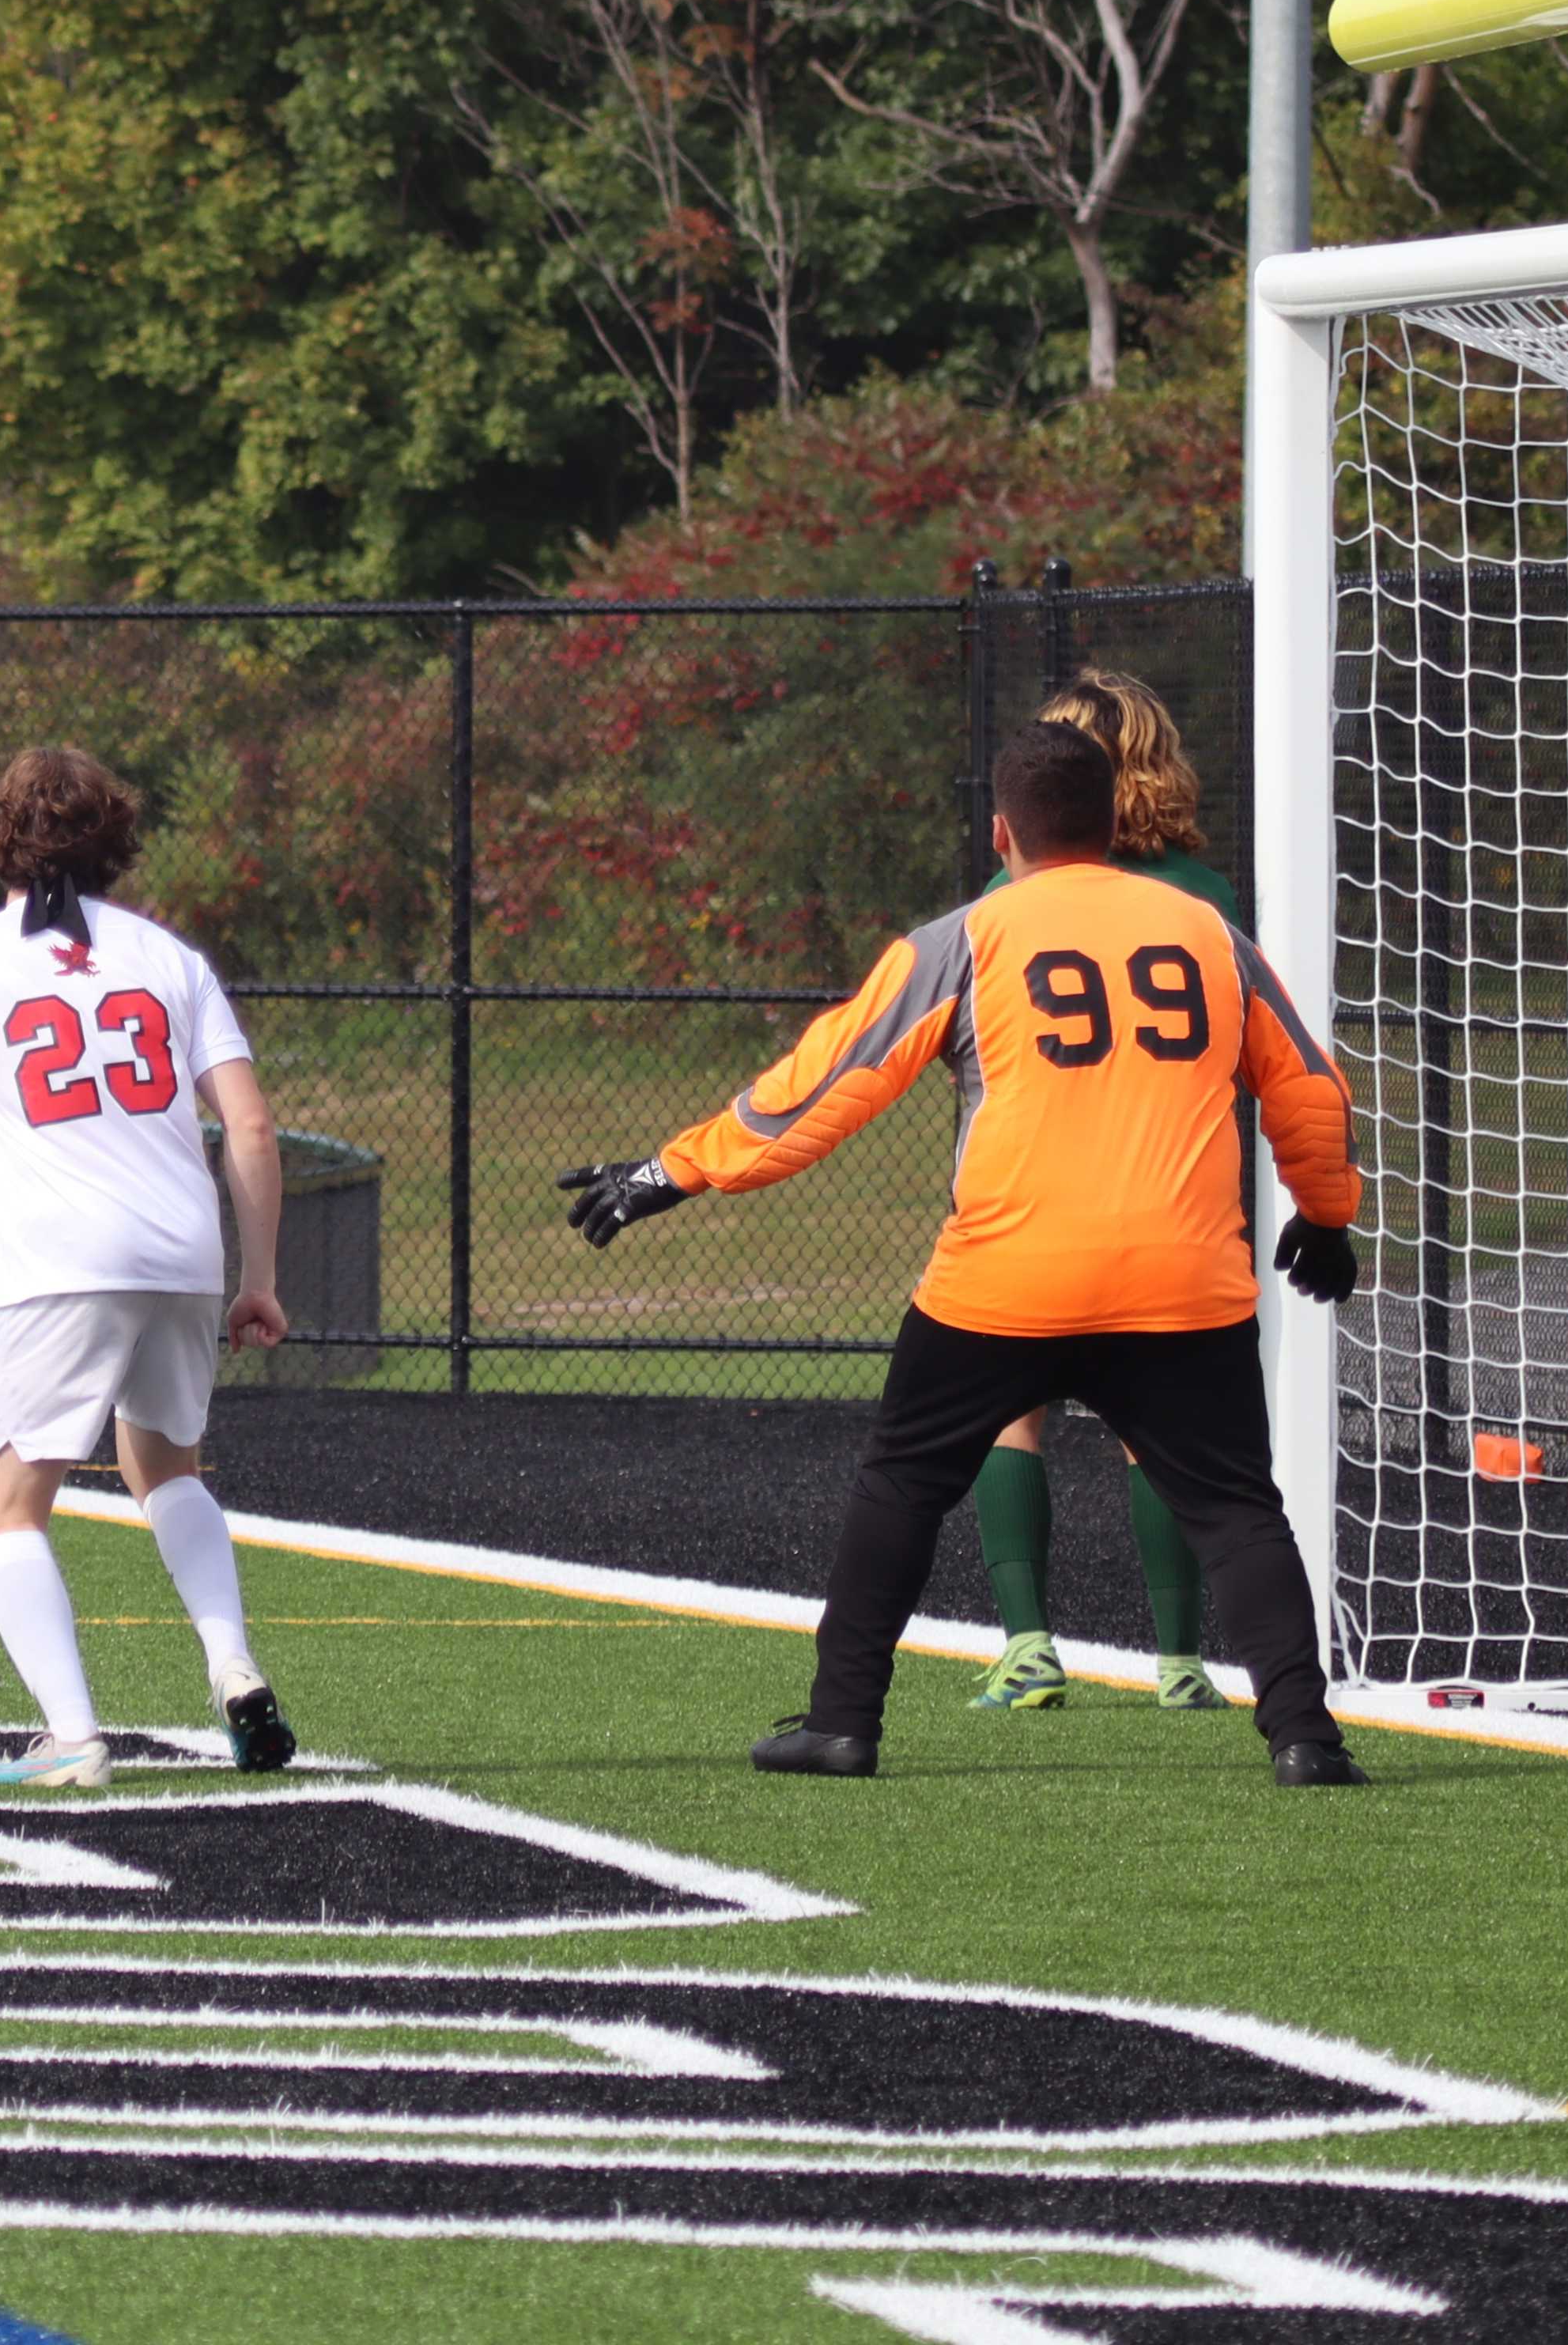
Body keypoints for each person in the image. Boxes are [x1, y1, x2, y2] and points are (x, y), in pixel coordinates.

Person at [557, 721, 1371, 1786]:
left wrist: (673, 1170)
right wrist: (1325, 1214)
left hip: (1006, 1284)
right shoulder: (1210, 934)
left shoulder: (966, 939)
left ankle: (842, 1723)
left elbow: (826, 1086)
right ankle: (1305, 1738)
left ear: (1001, 832)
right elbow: (1309, 1088)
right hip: (1180, 1283)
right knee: (1236, 1509)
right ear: (1116, 822)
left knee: (901, 1482)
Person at [0, 745, 296, 1789]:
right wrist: (257, 1276)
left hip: (63, 1264)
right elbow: (253, 1129)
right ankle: (233, 1665)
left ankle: (73, 1735)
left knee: (7, 1506)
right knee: (166, 1470)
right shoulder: (170, 959)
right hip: (183, 1255)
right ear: (114, 840)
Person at [969, 668, 1244, 1715]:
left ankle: (1029, 1646)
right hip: (1171, 1203)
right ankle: (1180, 1661)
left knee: (1010, 1411)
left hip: (1034, 1196)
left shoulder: (1016, 892)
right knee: (1158, 1429)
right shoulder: (1208, 897)